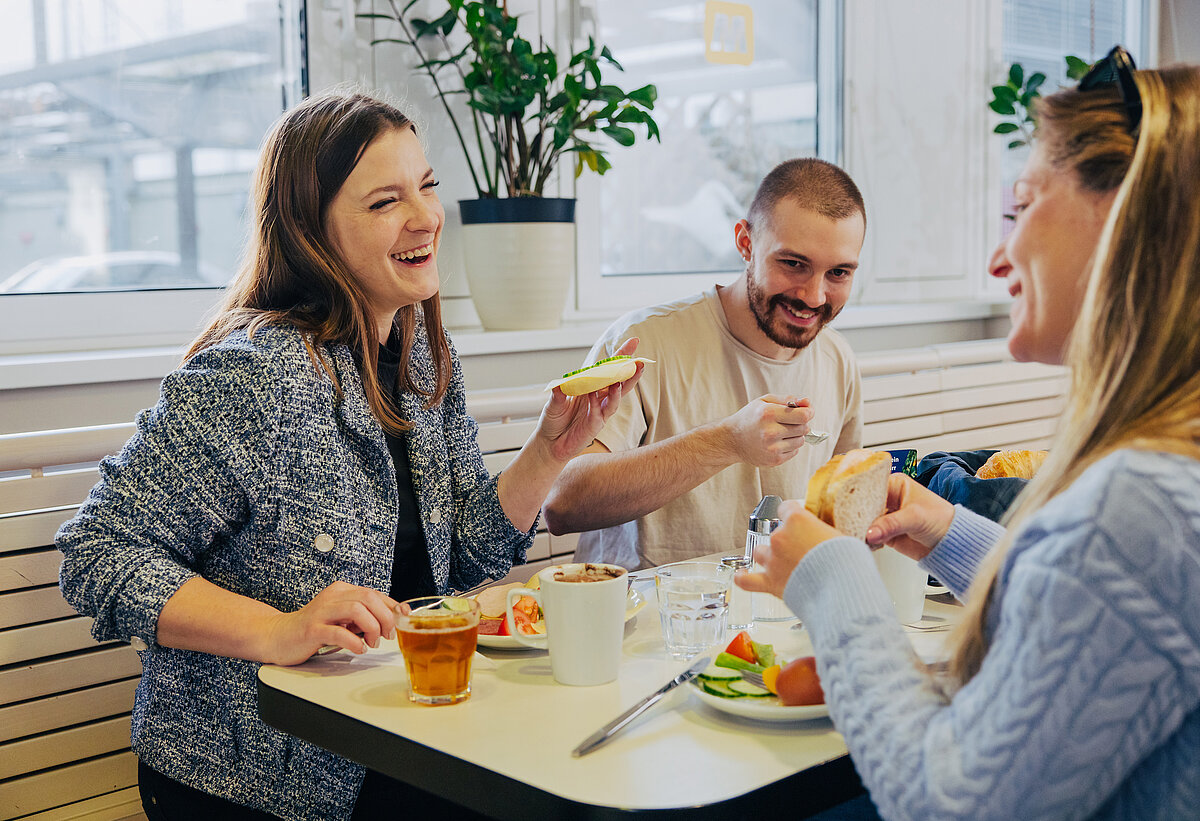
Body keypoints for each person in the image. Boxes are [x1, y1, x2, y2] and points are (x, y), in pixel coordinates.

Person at [55, 91, 641, 821]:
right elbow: (96, 552)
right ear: (312, 233)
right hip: (250, 774)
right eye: (384, 201)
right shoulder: (256, 376)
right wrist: (281, 628)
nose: (427, 216)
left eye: (426, 186)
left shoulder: (424, 353)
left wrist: (551, 450)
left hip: (398, 727)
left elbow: (466, 563)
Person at [738, 50, 1200, 820]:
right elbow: (1108, 618)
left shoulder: (1140, 499)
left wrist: (833, 576)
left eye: (1020, 209)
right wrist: (953, 532)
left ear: (1123, 219)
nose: (999, 254)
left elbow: (948, 805)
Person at [544, 158, 866, 569]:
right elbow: (562, 503)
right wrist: (726, 441)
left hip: (781, 619)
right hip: (645, 622)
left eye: (838, 273)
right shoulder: (645, 343)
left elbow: (840, 510)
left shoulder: (838, 358)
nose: (815, 296)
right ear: (745, 243)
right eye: (793, 264)